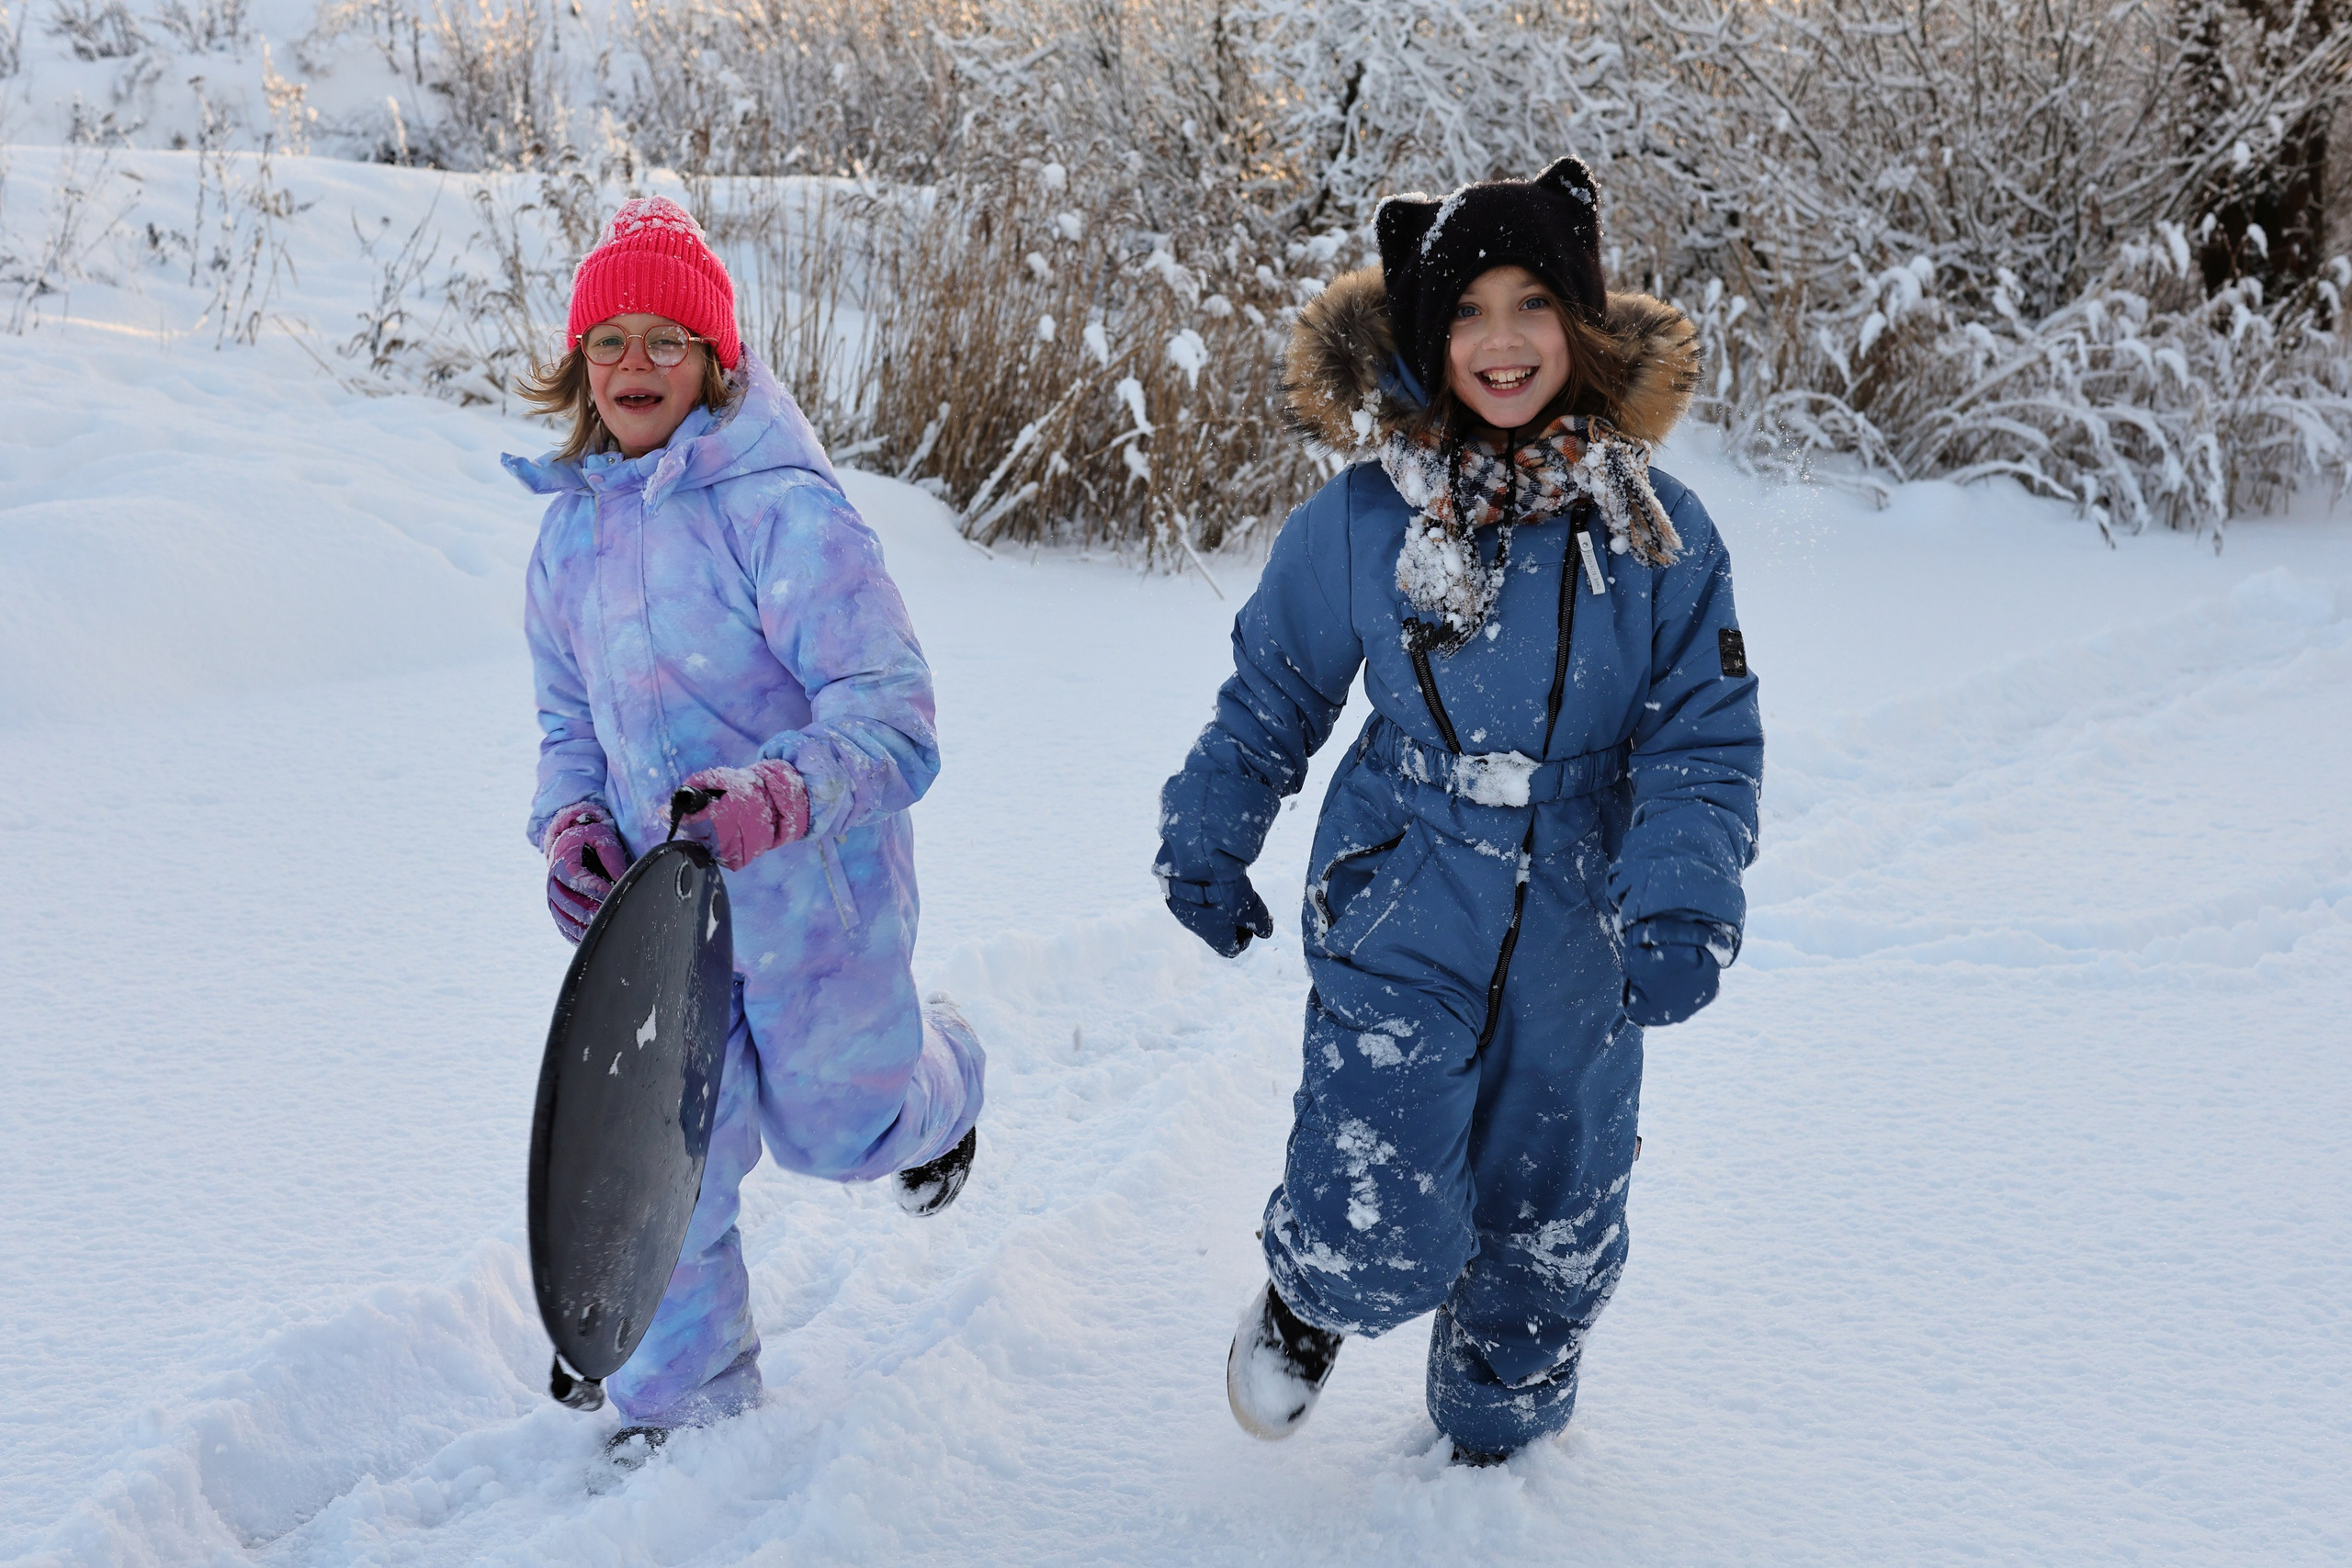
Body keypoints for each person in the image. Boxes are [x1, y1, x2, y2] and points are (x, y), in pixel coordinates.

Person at [1158, 157, 1763, 1465]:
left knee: (1557, 1199)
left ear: (1584, 325)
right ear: (1431, 338)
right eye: (1470, 309)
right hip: (1407, 886)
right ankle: (1322, 1285)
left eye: (1534, 303)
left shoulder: (1659, 534)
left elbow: (1703, 739)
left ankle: (1498, 1436)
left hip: (1582, 918)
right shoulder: (1368, 518)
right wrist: (1212, 823)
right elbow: (1274, 688)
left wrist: (1685, 893)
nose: (1502, 341)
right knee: (1373, 1168)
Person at [509, 197, 984, 1454]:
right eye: (609, 341)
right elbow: (567, 729)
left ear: (717, 358)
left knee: (845, 1133)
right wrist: (570, 831)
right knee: (670, 1166)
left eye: (669, 339)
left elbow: (896, 718)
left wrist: (777, 798)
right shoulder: (567, 545)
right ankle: (688, 1419)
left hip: (817, 903)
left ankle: (948, 1081)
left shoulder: (785, 514)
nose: (635, 367)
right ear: (577, 364)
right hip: (666, 931)